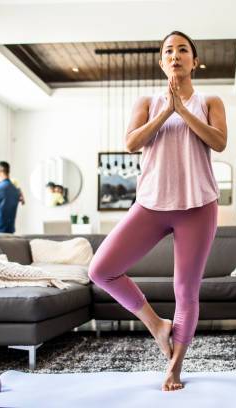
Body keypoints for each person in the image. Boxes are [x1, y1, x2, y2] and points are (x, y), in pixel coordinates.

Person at [88, 30, 227, 392]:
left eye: (183, 50)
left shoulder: (210, 100)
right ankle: (155, 324)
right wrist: (167, 111)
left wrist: (183, 110)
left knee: (186, 290)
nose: (175, 55)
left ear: (194, 61)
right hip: (151, 204)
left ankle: (175, 368)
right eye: (169, 51)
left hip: (198, 206)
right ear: (161, 61)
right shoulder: (148, 101)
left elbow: (219, 141)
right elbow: (132, 142)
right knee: (101, 269)